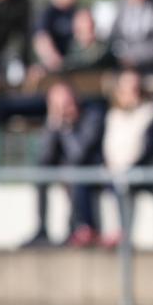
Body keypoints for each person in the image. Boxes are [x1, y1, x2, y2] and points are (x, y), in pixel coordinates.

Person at [21, 82, 104, 247]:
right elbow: (44, 157)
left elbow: (78, 154)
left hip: (89, 170)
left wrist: (66, 127)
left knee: (73, 173)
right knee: (42, 174)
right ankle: (42, 229)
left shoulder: (92, 115)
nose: (63, 109)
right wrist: (54, 125)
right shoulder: (54, 121)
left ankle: (74, 229)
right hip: (65, 169)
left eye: (65, 103)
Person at [100, 69, 153, 247]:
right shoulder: (113, 115)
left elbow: (146, 148)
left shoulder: (149, 113)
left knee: (124, 185)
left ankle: (124, 235)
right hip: (114, 171)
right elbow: (109, 146)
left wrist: (126, 167)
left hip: (139, 171)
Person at [33, 0, 81, 72]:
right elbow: (41, 40)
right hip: (53, 72)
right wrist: (57, 62)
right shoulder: (46, 13)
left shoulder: (79, 12)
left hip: (76, 69)